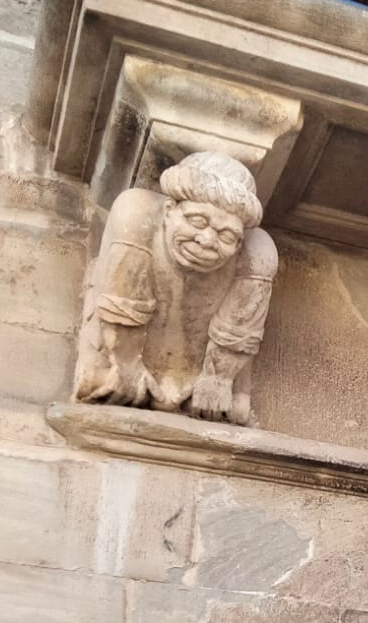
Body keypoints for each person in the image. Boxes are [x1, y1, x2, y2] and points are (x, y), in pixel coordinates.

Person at [73, 151, 276, 426]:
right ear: (169, 211)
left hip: (205, 368)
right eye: (197, 221)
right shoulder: (137, 213)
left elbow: (237, 331)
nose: (207, 240)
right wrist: (126, 364)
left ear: (240, 242)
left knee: (235, 408)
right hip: (120, 348)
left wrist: (218, 378)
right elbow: (123, 304)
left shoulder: (257, 252)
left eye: (227, 235)